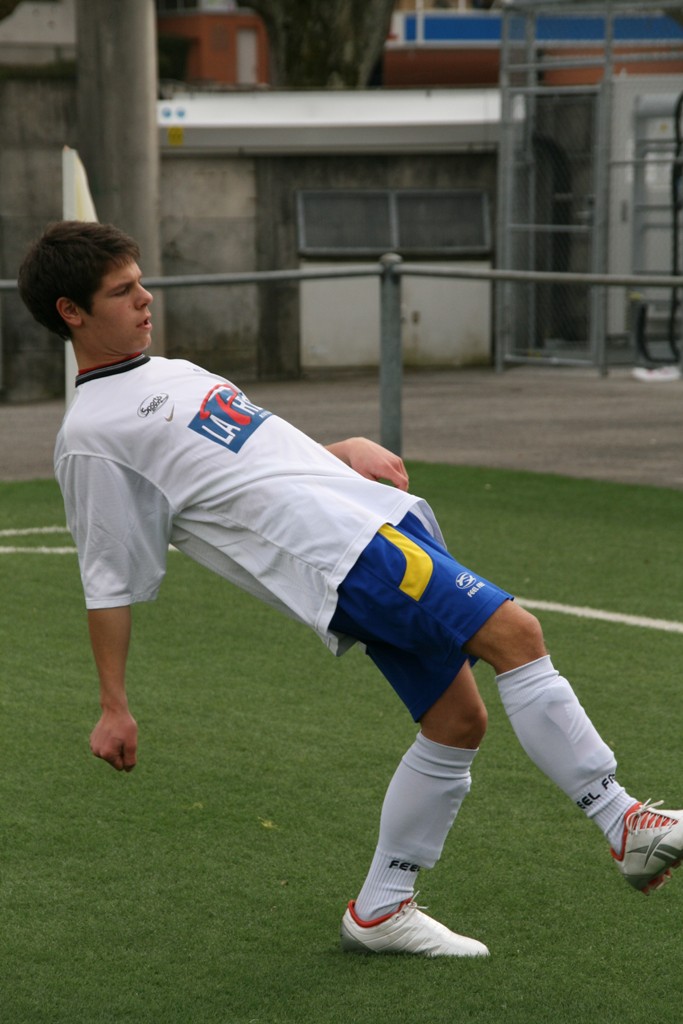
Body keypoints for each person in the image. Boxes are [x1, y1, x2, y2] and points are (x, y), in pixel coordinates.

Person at [18, 221, 683, 958]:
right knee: (516, 635)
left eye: (141, 282)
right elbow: (106, 575)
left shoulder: (168, 370)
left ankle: (380, 910)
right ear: (72, 313)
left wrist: (338, 451)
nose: (145, 298)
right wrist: (113, 704)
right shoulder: (92, 434)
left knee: (456, 722)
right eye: (122, 291)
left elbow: (246, 460)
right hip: (341, 556)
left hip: (361, 525)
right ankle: (623, 821)